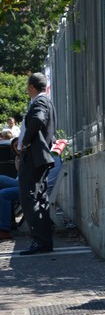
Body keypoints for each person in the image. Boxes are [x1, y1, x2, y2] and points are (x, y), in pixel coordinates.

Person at [18, 73, 57, 255]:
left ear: (32, 87)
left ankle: (40, 241)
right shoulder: (46, 101)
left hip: (34, 158)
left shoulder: (40, 102)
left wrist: (25, 141)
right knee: (39, 197)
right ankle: (44, 241)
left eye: (27, 87)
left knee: (30, 198)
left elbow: (39, 119)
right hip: (39, 157)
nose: (27, 90)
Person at [0, 155, 63, 241]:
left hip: (36, 188)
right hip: (30, 184)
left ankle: (4, 229)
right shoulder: (45, 152)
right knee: (1, 180)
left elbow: (34, 177)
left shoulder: (44, 153)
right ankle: (6, 224)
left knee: (4, 193)